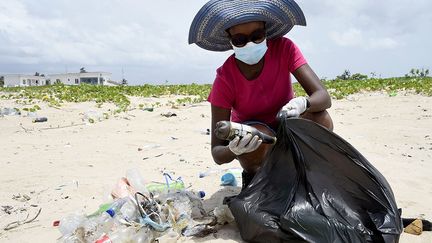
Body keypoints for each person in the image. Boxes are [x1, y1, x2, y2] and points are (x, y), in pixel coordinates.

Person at [189, 0, 333, 189]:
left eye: (257, 36)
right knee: (257, 134)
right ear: (230, 40)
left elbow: (323, 97)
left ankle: (308, 171)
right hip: (257, 146)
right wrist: (233, 149)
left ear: (265, 32)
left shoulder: (284, 48)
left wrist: (302, 104)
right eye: (240, 40)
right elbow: (217, 152)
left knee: (320, 118)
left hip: (288, 125)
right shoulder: (225, 78)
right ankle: (262, 180)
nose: (249, 44)